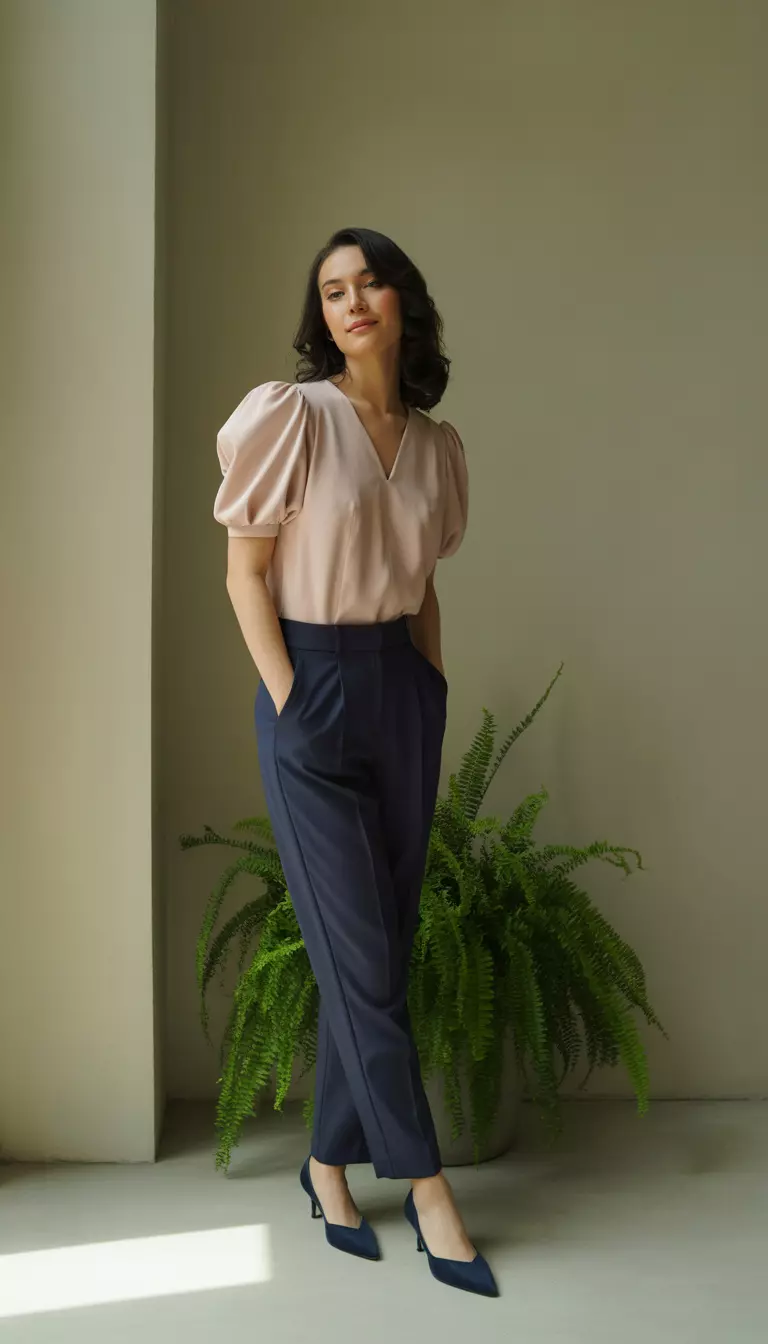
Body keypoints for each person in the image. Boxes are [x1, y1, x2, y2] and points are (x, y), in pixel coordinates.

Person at [213, 227, 497, 1298]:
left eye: (368, 280)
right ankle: (426, 1189)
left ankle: (328, 1165)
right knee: (367, 959)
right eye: (332, 290)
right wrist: (293, 701)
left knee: (375, 945)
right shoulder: (294, 418)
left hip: (398, 692)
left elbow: (422, 581)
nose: (352, 301)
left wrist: (429, 685)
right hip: (314, 688)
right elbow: (246, 575)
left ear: (401, 301)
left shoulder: (435, 445)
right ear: (321, 315)